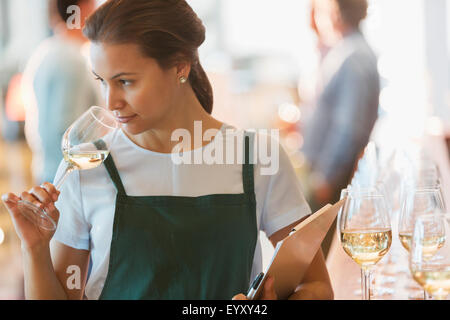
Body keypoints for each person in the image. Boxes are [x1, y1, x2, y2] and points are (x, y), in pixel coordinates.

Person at [2, 0, 333, 300]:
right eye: (102, 81)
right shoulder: (89, 168)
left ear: (180, 66)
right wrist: (35, 249)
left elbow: (317, 287)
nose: (110, 102)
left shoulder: (258, 159)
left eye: (126, 81)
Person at [300, 0, 380, 257]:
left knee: (321, 257)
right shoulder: (346, 51)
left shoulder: (352, 56)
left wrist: (326, 175)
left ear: (336, 13)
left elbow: (349, 127)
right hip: (332, 174)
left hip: (333, 179)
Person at [22, 0, 99, 184]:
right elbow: (66, 128)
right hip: (69, 180)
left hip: (47, 170)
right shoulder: (72, 60)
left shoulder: (45, 52)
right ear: (83, 10)